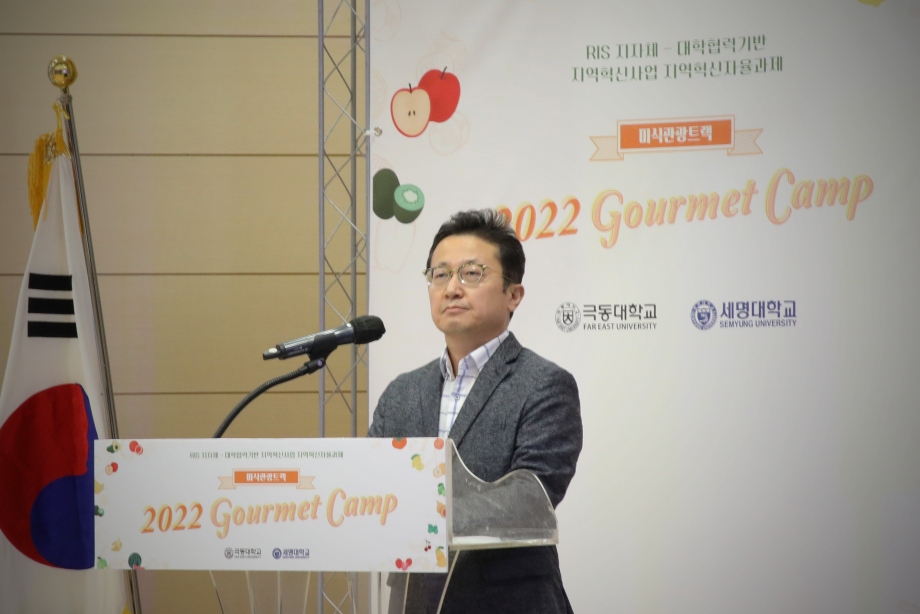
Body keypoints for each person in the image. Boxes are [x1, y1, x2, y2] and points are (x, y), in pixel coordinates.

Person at [368, 209, 583, 614]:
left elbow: (529, 500)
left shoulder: (544, 384)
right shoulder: (401, 392)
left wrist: (414, 510)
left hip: (508, 603)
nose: (451, 288)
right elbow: (370, 488)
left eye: (471, 273)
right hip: (414, 601)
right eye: (440, 274)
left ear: (513, 294)